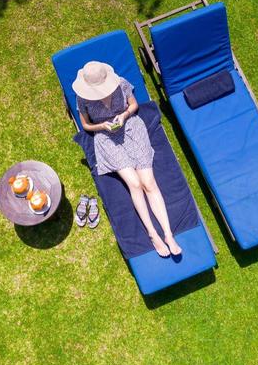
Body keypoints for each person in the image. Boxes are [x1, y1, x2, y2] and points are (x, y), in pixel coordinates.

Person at [73, 61, 182, 257]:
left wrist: (123, 116)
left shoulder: (120, 83)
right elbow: (86, 125)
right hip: (106, 138)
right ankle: (152, 234)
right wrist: (103, 126)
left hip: (131, 127)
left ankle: (168, 234)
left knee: (149, 182)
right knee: (134, 183)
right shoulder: (82, 98)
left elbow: (134, 105)